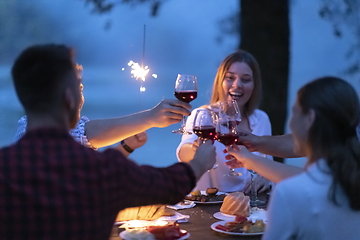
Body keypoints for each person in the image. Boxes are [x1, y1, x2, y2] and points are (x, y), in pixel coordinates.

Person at [0, 44, 217, 239]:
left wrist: (127, 144)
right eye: (80, 87)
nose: (82, 95)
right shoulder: (102, 170)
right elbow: (170, 185)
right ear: (69, 97)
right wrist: (199, 163)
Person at [228, 76, 360, 239]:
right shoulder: (349, 185)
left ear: (310, 119)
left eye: (295, 112)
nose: (290, 122)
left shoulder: (289, 194)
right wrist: (256, 148)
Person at [13, 62, 193, 156]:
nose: (79, 97)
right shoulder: (29, 131)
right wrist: (151, 117)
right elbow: (84, 133)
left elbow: (95, 170)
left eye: (81, 89)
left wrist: (126, 147)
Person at [176, 50, 273, 193]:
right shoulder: (202, 116)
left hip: (249, 208)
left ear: (254, 86)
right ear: (220, 82)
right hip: (210, 207)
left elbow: (268, 165)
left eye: (245, 80)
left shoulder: (261, 119)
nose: (237, 84)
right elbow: (183, 151)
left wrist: (267, 178)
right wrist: (196, 151)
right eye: (230, 78)